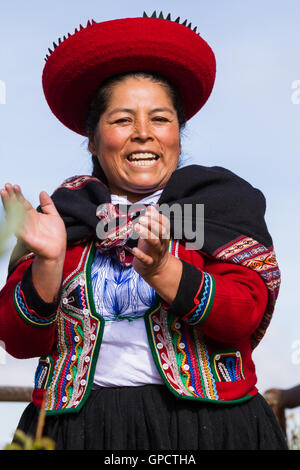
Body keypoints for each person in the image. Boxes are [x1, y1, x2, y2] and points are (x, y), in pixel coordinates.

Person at [0, 12, 288, 450]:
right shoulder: (64, 220)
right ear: (93, 141)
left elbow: (242, 317)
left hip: (208, 430)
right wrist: (49, 261)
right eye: (121, 121)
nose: (142, 134)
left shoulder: (214, 206)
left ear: (178, 132)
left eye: (159, 119)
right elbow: (19, 342)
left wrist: (164, 270)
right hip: (77, 433)